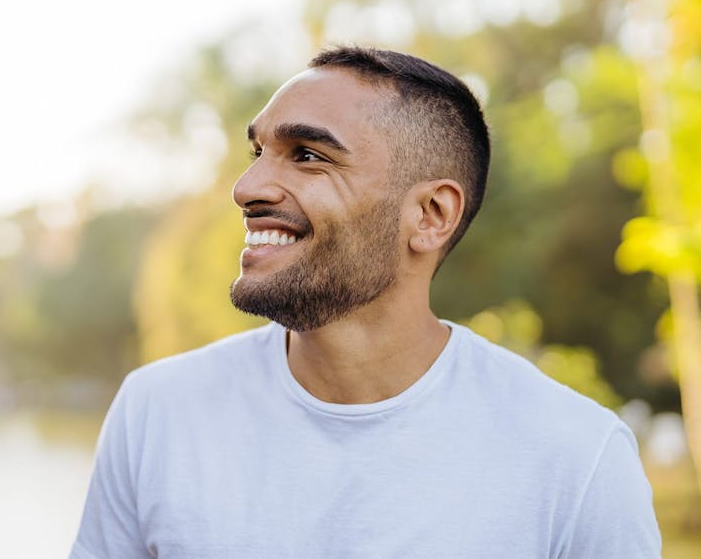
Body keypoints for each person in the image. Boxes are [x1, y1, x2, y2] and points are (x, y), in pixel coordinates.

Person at [70, 46, 661, 558]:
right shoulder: (156, 412)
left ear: (430, 216)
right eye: (259, 153)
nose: (246, 188)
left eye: (307, 155)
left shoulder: (577, 458)